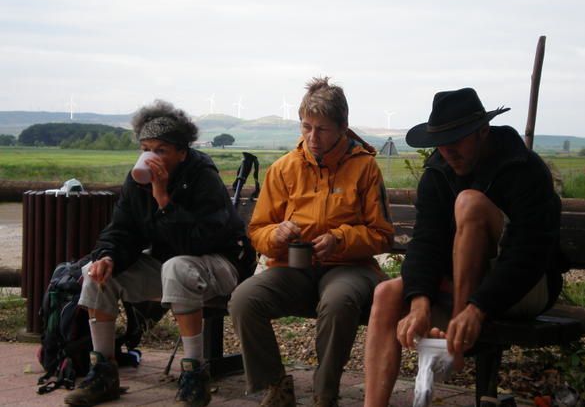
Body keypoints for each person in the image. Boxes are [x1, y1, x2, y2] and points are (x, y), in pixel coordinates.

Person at [363, 87, 566, 406]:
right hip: (464, 285)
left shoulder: (524, 169)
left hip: (525, 287)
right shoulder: (437, 174)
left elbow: (529, 254)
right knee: (386, 294)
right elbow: (426, 241)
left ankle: (457, 344)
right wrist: (419, 302)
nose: (447, 152)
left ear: (482, 131)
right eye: (440, 144)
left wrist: (477, 308)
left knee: (469, 203)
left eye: (456, 140)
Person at [65, 100, 248, 407]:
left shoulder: (203, 178)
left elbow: (197, 243)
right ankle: (104, 373)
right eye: (146, 148)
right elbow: (121, 230)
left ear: (181, 151)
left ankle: (194, 376)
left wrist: (163, 198)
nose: (151, 157)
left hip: (221, 265)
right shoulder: (137, 183)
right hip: (171, 267)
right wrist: (107, 256)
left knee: (177, 267)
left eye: (160, 150)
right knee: (98, 274)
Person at [229, 77, 394, 407]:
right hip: (294, 267)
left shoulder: (365, 168)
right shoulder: (284, 168)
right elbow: (258, 230)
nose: (312, 138)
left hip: (351, 267)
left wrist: (339, 238)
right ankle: (277, 385)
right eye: (306, 127)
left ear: (343, 128)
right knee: (244, 299)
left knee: (337, 301)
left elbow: (382, 234)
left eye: (322, 129)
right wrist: (275, 236)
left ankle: (325, 393)